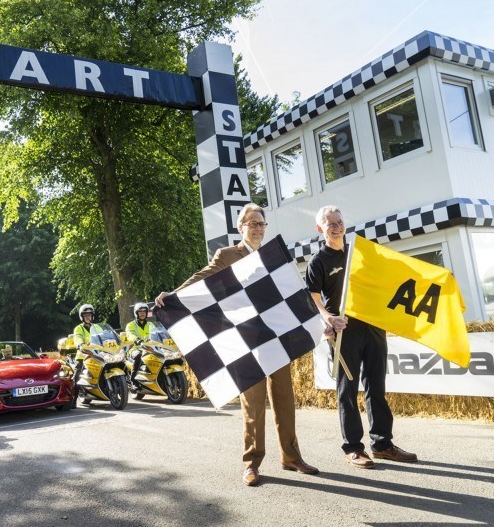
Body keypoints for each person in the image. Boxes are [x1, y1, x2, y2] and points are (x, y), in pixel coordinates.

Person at [155, 203, 319, 486]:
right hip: (244, 339)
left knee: (284, 400)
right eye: (252, 223)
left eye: (261, 223)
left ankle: (291, 457)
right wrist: (175, 294)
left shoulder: (274, 256)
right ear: (240, 227)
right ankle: (251, 464)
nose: (257, 228)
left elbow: (292, 289)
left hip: (276, 336)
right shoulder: (228, 254)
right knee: (252, 405)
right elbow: (203, 278)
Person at [306, 205, 417, 469]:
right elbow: (311, 299)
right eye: (329, 223)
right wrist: (328, 318)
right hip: (344, 333)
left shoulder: (361, 253)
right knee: (347, 391)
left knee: (376, 387)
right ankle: (354, 448)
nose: (336, 226)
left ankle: (382, 444)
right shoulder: (318, 261)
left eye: (339, 221)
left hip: (374, 327)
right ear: (320, 228)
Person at [124, 302, 153, 386]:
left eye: (144, 311)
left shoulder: (151, 325)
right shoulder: (130, 325)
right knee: (138, 356)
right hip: (135, 348)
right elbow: (130, 334)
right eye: (140, 312)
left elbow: (158, 333)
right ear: (136, 313)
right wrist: (136, 340)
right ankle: (133, 380)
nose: (142, 313)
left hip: (150, 348)